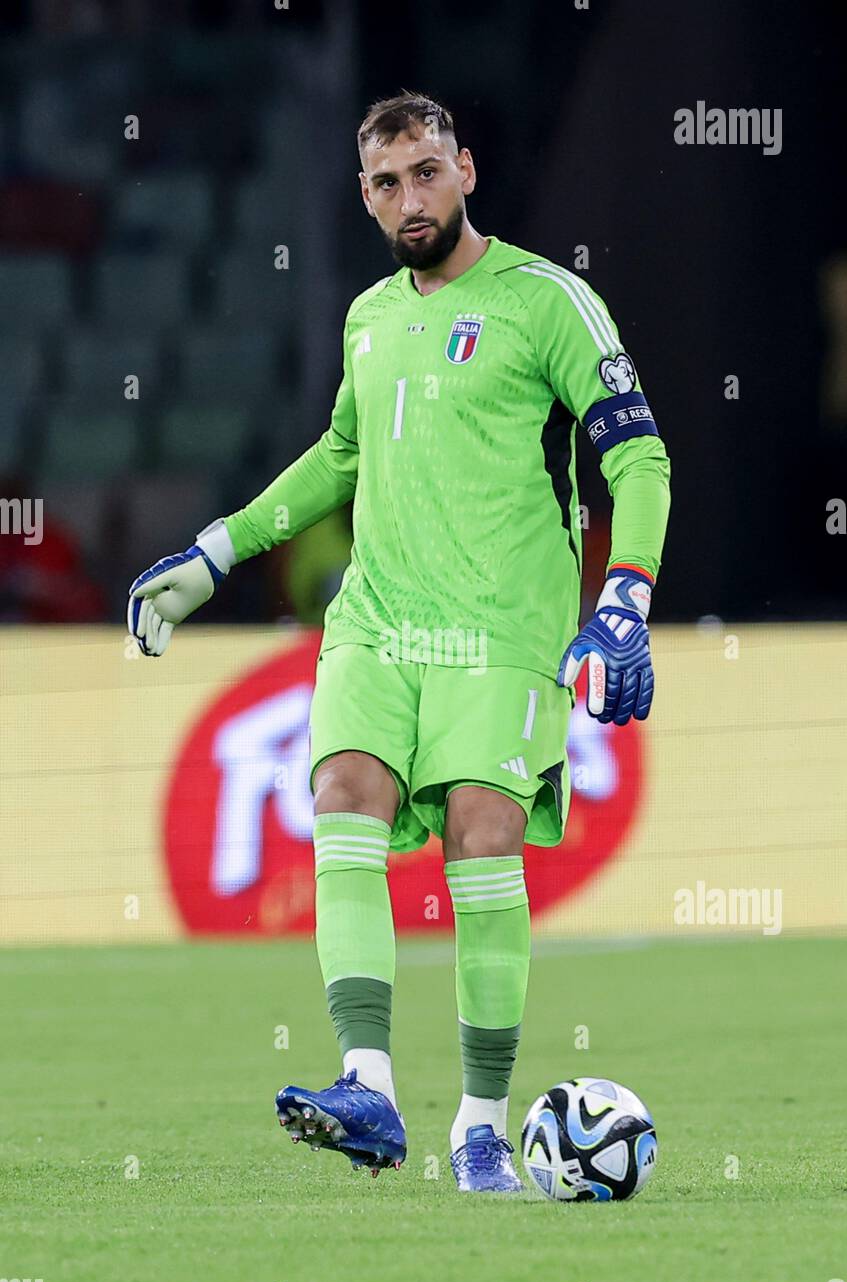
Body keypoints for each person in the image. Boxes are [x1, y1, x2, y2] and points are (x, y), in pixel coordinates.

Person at [127, 91, 671, 1193]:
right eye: (385, 182)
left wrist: (622, 600)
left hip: (501, 628)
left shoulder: (547, 302)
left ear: (464, 169)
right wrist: (215, 552)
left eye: (425, 172)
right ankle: (368, 1088)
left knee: (480, 836)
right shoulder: (369, 315)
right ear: (364, 196)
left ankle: (478, 1122)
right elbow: (339, 455)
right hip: (376, 621)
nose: (408, 197)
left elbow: (640, 459)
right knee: (341, 792)